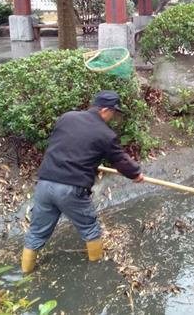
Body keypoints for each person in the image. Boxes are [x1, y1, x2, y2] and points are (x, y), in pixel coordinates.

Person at [21, 90, 144, 273]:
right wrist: (135, 174)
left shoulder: (67, 117)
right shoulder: (105, 134)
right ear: (105, 110)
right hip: (71, 188)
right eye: (114, 113)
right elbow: (121, 160)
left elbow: (67, 144)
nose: (113, 117)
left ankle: (25, 273)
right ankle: (96, 272)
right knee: (90, 228)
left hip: (45, 183)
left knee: (37, 232)